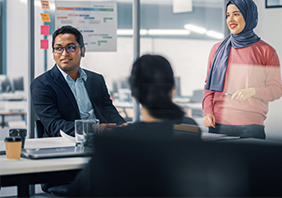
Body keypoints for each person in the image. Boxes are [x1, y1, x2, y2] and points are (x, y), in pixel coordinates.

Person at [66, 55, 202, 197]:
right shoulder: (190, 129)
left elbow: (78, 190)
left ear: (133, 92)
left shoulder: (117, 140)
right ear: (173, 90)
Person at [202, 0, 282, 139]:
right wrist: (208, 112)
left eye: (236, 14)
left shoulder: (266, 51)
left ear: (249, 16)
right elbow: (209, 87)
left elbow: (276, 90)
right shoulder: (217, 49)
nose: (230, 20)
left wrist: (252, 92)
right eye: (227, 15)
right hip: (218, 124)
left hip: (251, 125)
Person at [31, 25, 127, 137]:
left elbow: (108, 111)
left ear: (82, 51)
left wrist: (122, 125)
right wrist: (94, 129)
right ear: (53, 53)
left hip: (101, 141)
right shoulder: (41, 84)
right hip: (64, 144)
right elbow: (54, 125)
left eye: (71, 47)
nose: (64, 53)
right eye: (58, 48)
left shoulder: (96, 80)